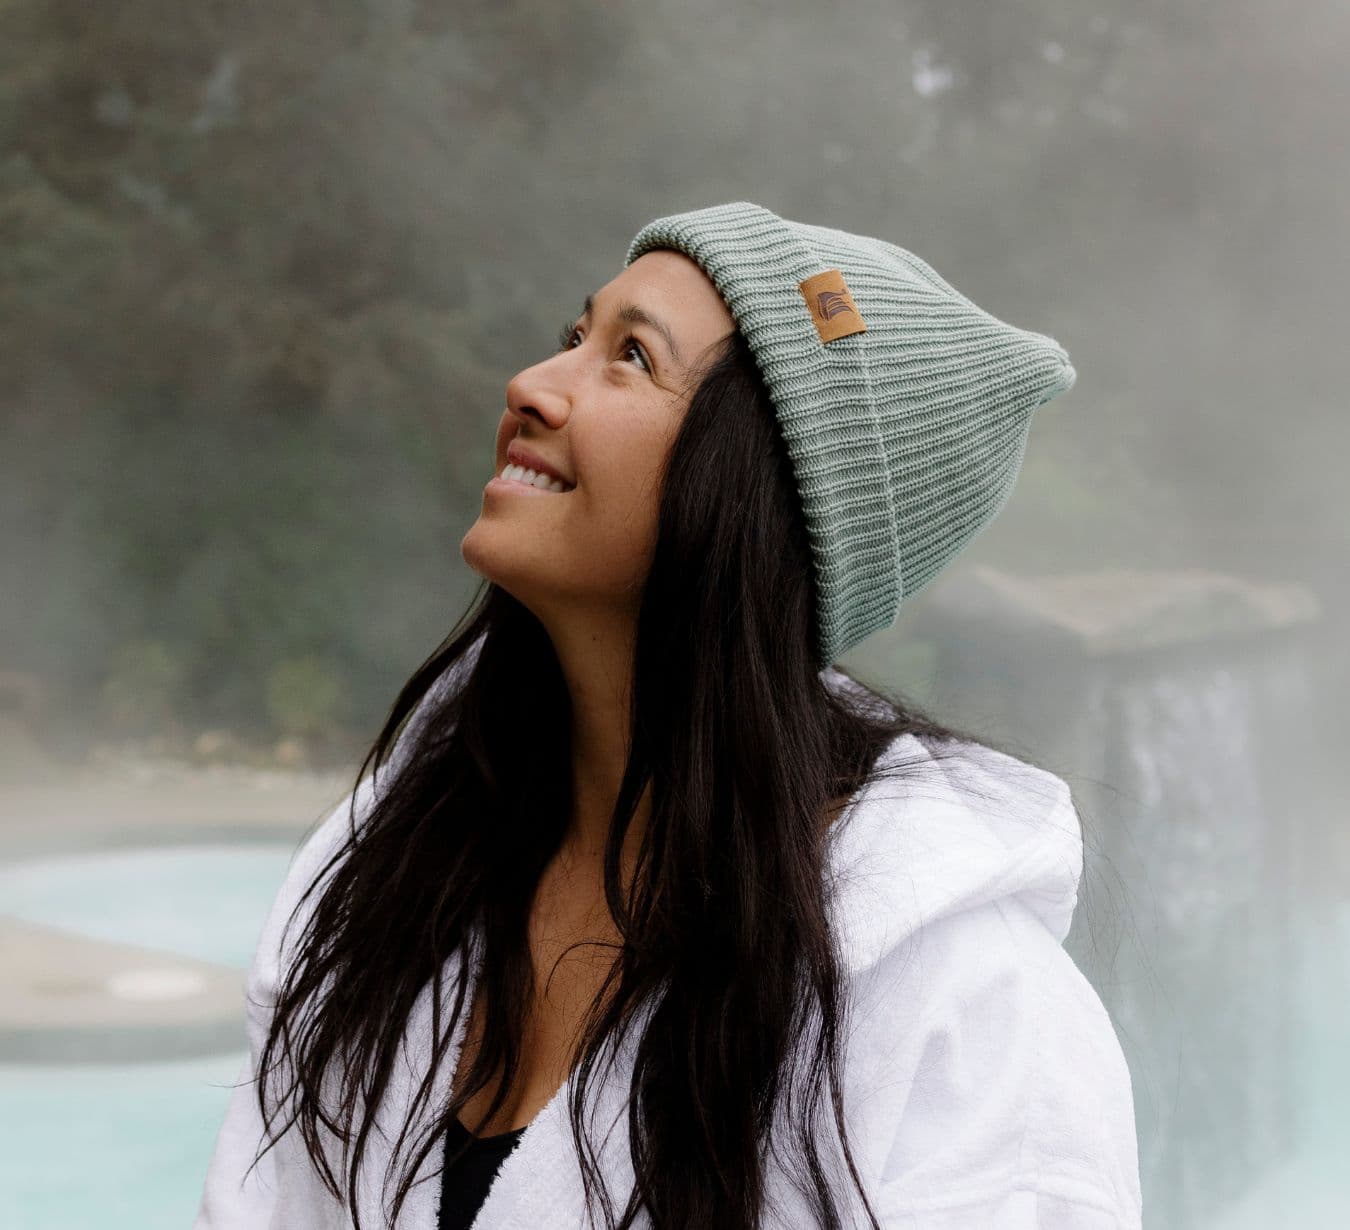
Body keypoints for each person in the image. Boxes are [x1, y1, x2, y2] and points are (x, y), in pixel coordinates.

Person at [194, 201, 1142, 1229]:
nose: (532, 386)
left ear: (760, 493)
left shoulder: (961, 1007)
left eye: (631, 358)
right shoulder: (399, 855)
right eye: (574, 338)